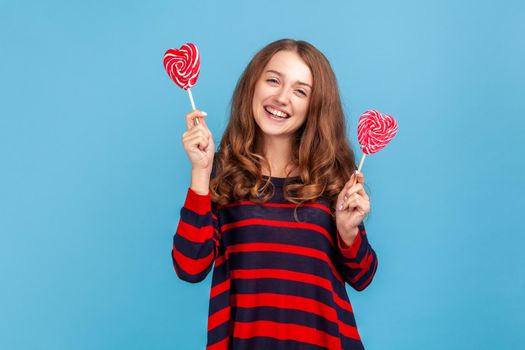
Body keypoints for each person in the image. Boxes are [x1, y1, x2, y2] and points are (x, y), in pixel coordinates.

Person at [172, 38, 377, 350]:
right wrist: (200, 172)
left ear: (314, 106)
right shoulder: (222, 177)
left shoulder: (330, 179)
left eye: (300, 90)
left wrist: (349, 232)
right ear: (253, 86)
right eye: (273, 80)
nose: (282, 97)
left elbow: (362, 277)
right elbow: (190, 266)